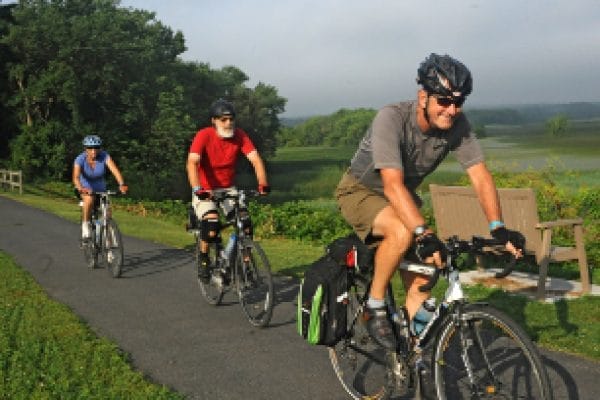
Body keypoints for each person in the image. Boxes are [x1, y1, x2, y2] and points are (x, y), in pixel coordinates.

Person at [335, 53, 525, 349]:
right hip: (361, 191)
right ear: (422, 96)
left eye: (458, 103)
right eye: (443, 101)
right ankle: (374, 306)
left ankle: (414, 358)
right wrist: (423, 233)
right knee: (401, 232)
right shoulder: (392, 118)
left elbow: (480, 175)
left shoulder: (457, 125)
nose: (451, 110)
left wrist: (498, 227)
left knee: (428, 272)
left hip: (401, 199)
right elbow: (392, 184)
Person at [186, 98, 270, 282]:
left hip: (228, 189)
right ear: (214, 121)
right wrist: (197, 189)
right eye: (223, 119)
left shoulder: (240, 135)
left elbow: (255, 159)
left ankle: (246, 264)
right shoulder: (204, 135)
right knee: (211, 225)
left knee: (245, 223)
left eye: (231, 119)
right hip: (205, 190)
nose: (228, 123)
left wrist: (263, 183)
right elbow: (192, 163)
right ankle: (204, 258)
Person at [73, 135, 128, 240]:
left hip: (100, 189)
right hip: (85, 188)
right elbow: (75, 178)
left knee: (107, 215)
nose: (93, 151)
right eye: (90, 148)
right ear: (85, 149)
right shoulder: (80, 159)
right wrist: (81, 188)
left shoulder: (104, 156)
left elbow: (115, 171)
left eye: (96, 148)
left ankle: (108, 247)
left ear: (100, 148)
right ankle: (86, 225)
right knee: (89, 199)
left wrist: (121, 184)